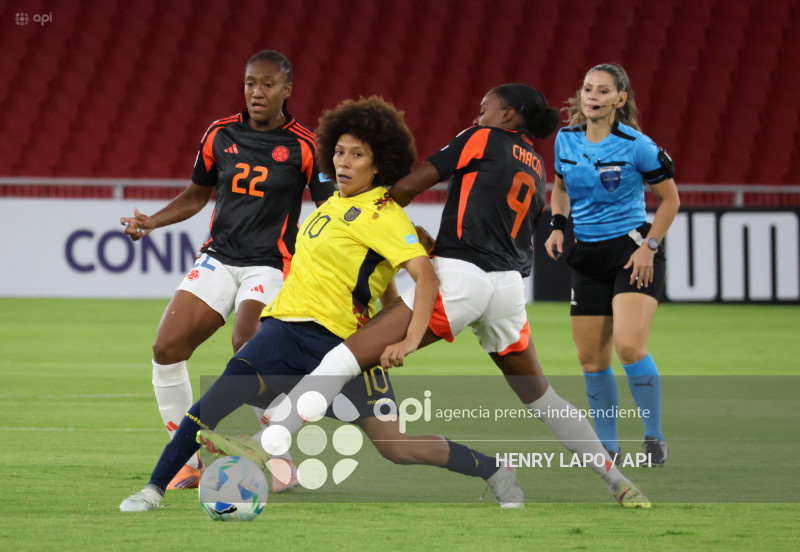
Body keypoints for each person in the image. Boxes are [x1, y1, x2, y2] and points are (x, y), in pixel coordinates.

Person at [120, 96, 524, 512]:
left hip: (342, 349)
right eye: (339, 152)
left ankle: (494, 470)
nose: (344, 162)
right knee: (214, 404)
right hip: (282, 332)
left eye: (357, 155)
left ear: (379, 163)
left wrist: (407, 339)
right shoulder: (328, 205)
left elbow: (426, 278)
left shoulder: (386, 215)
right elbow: (379, 279)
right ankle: (153, 490)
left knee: (396, 447)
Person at [279, 84, 650, 508]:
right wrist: (434, 245)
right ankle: (617, 480)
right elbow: (505, 240)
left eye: (484, 108)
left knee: (343, 358)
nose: (477, 117)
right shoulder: (536, 168)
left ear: (508, 114)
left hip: (461, 281)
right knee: (543, 397)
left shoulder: (479, 138)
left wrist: (371, 217)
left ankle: (267, 439)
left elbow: (406, 188)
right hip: (508, 290)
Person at [119, 50, 335, 490]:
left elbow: (330, 211)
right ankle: (189, 459)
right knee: (166, 348)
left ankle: (280, 461)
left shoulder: (305, 145)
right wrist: (152, 222)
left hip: (271, 265)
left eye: (268, 84)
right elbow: (197, 195)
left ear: (287, 90)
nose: (257, 92)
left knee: (248, 345)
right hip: (218, 257)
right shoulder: (220, 134)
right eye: (251, 83)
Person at [543, 63, 680, 465]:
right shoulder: (565, 140)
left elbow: (670, 200)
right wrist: (557, 227)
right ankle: (608, 449)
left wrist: (649, 246)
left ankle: (653, 437)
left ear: (620, 99)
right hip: (587, 254)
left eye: (603, 91)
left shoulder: (638, 145)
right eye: (588, 89)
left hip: (632, 251)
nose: (592, 97)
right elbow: (561, 188)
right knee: (591, 359)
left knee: (629, 346)